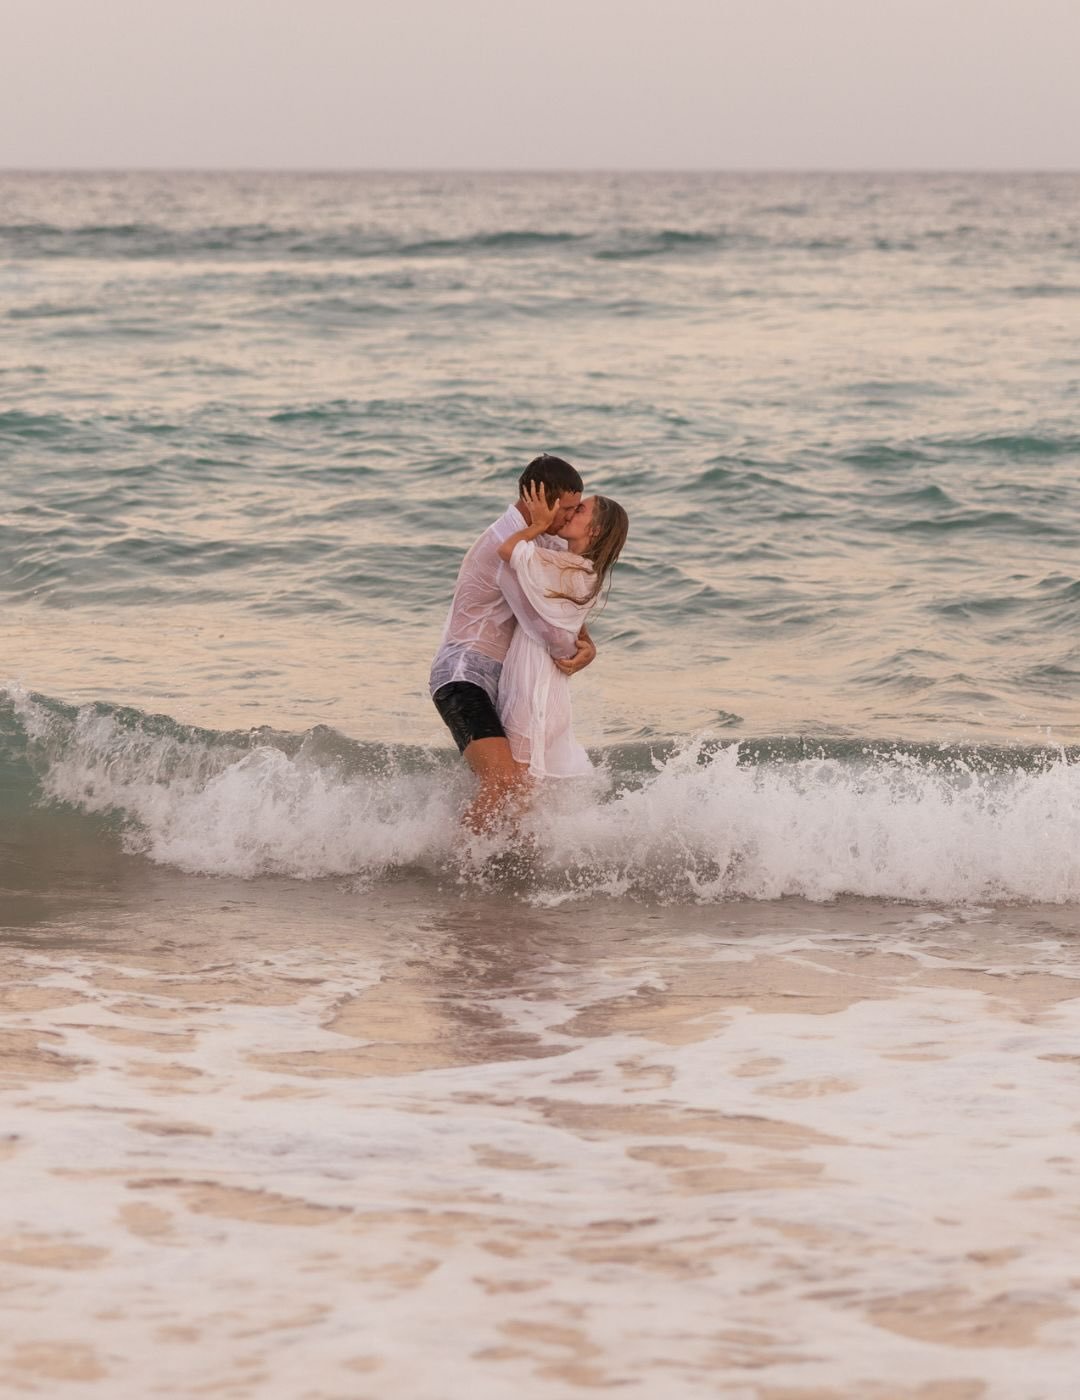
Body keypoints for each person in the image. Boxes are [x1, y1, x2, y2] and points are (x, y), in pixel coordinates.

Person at [430, 454, 596, 832]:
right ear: (540, 500)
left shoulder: (541, 542)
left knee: (521, 786)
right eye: (566, 510)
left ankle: (501, 865)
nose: (570, 519)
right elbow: (542, 618)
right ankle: (459, 867)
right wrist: (572, 646)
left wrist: (588, 643)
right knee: (505, 783)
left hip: (497, 681)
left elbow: (558, 606)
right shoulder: (503, 546)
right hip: (463, 677)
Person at [496, 482, 629, 779]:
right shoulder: (583, 571)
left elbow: (507, 549)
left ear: (593, 530)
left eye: (579, 509)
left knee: (515, 788)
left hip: (534, 690)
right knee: (521, 788)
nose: (569, 513)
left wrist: (539, 523)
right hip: (548, 691)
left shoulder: (565, 567)